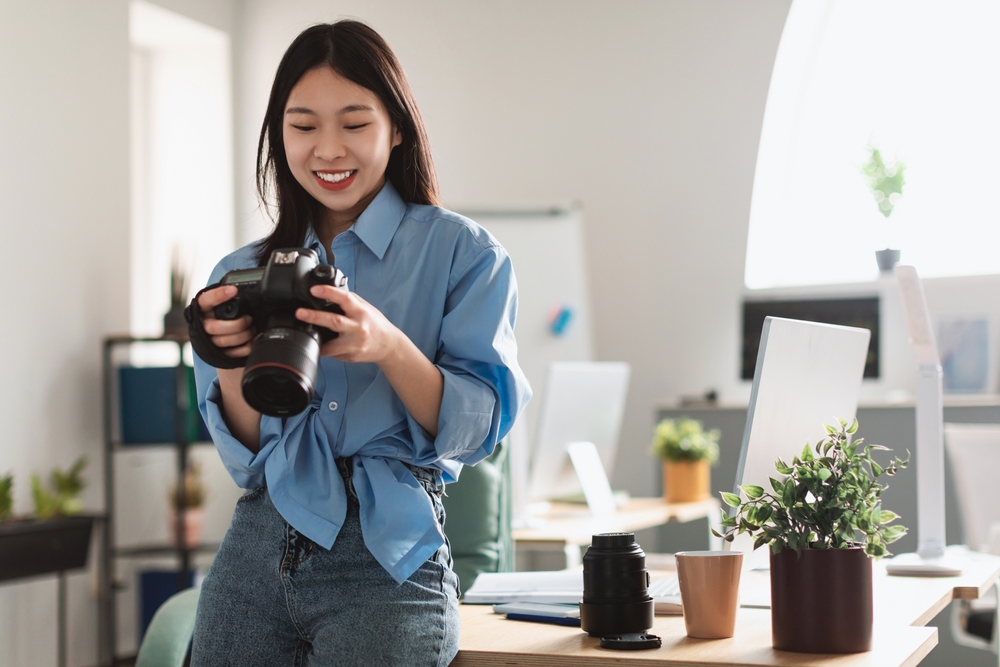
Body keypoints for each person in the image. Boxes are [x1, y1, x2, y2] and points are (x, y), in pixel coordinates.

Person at [189, 20, 530, 666]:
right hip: (256, 547)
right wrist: (231, 358)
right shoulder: (243, 271)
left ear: (395, 126)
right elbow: (248, 457)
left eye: (353, 123)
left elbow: (475, 430)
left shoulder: (465, 255)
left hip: (386, 555)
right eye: (303, 125)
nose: (328, 149)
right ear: (278, 133)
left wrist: (387, 346)